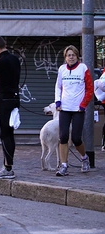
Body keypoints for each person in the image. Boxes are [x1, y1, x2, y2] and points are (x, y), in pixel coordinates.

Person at [54, 45, 93, 176]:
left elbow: (90, 89)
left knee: (76, 138)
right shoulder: (62, 69)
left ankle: (84, 158)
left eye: (73, 55)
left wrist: (84, 104)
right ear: (65, 57)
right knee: (63, 136)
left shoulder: (83, 68)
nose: (71, 57)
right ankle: (64, 165)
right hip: (64, 108)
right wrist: (57, 101)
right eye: (68, 55)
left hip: (78, 109)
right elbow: (58, 86)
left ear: (77, 56)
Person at [0, 35, 21, 179]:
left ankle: (8, 168)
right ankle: (8, 165)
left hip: (3, 100)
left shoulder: (0, 61)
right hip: (15, 99)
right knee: (10, 134)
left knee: (4, 134)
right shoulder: (15, 59)